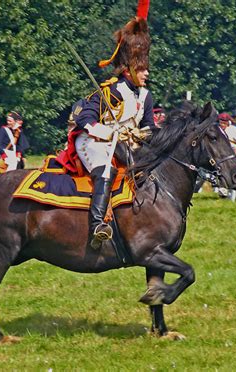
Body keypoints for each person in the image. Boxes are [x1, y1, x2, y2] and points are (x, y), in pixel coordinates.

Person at [69, 12, 155, 248]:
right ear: (128, 71)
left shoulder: (146, 96)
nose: (147, 74)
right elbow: (83, 117)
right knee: (105, 171)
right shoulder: (111, 91)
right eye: (142, 70)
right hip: (95, 142)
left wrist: (142, 135)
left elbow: (149, 126)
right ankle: (98, 224)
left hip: (126, 145)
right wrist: (107, 134)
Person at [217, 112, 236, 200]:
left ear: (228, 122)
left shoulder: (234, 130)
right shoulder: (216, 130)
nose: (222, 124)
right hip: (221, 155)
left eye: (224, 122)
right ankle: (223, 192)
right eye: (221, 122)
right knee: (221, 173)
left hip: (235, 154)